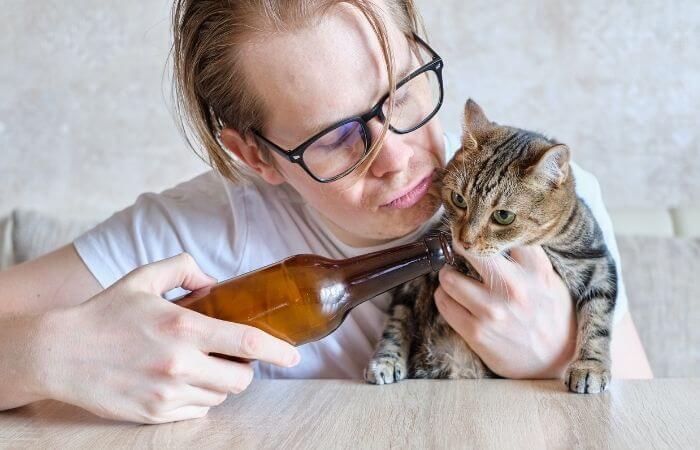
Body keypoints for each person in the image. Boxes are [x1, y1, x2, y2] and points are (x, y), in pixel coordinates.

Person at [0, 0, 651, 424]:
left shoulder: (545, 200)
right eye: (337, 136)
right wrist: (44, 356)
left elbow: (649, 423)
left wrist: (556, 355)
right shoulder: (195, 232)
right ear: (255, 155)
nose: (397, 158)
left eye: (401, 94)